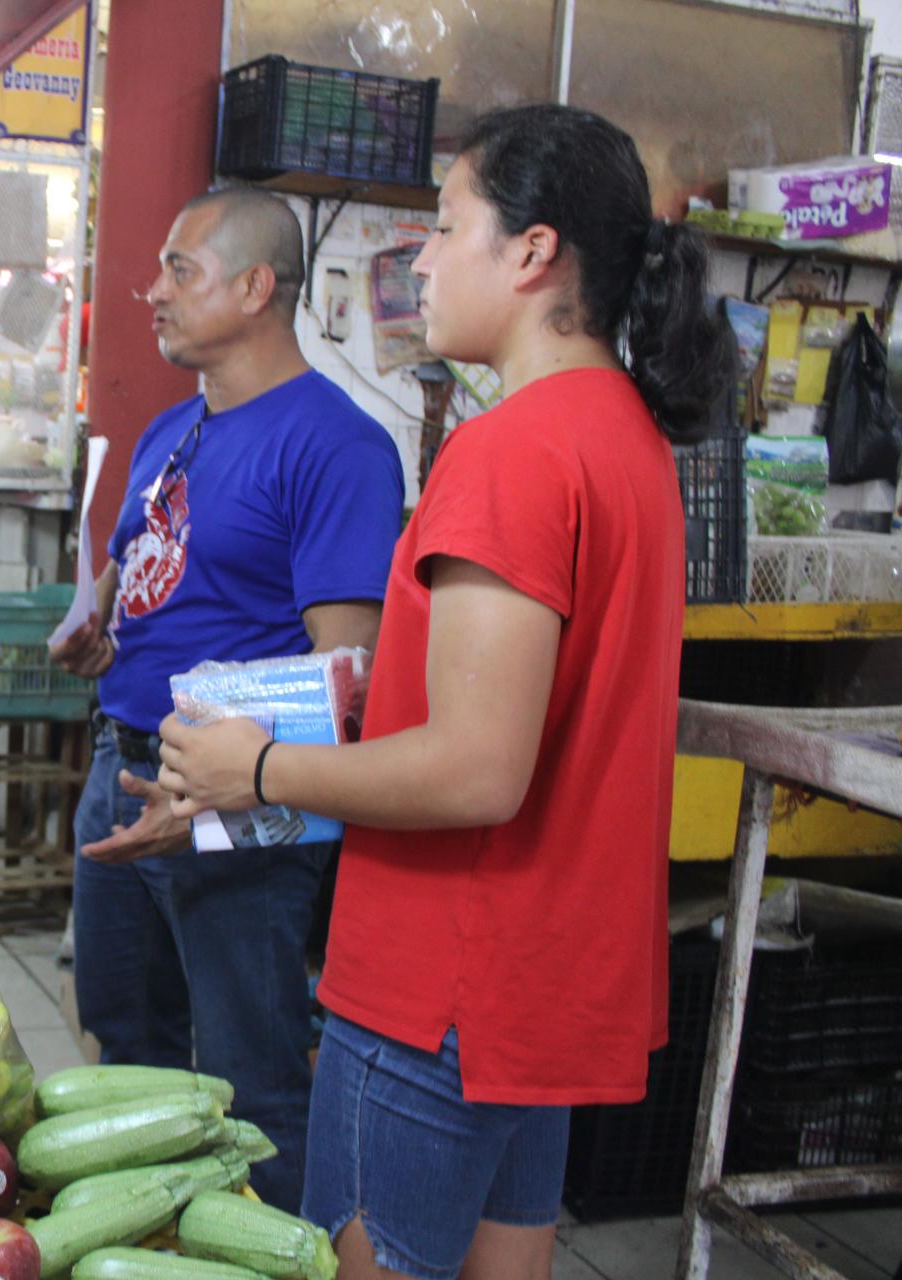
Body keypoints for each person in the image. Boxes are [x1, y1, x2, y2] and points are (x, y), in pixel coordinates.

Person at [154, 105, 734, 1280]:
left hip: (443, 986)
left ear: (533, 253)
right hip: (548, 985)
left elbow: (478, 769)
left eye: (446, 225)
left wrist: (251, 767)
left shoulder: (511, 450)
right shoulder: (624, 436)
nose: (418, 257)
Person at [49, 186, 405, 1212]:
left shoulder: (337, 445)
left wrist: (212, 795)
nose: (152, 290)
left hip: (236, 808)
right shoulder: (171, 431)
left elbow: (348, 679)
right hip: (121, 768)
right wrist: (97, 635)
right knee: (130, 1050)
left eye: (181, 270)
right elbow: (141, 585)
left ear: (257, 288)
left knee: (251, 1083)